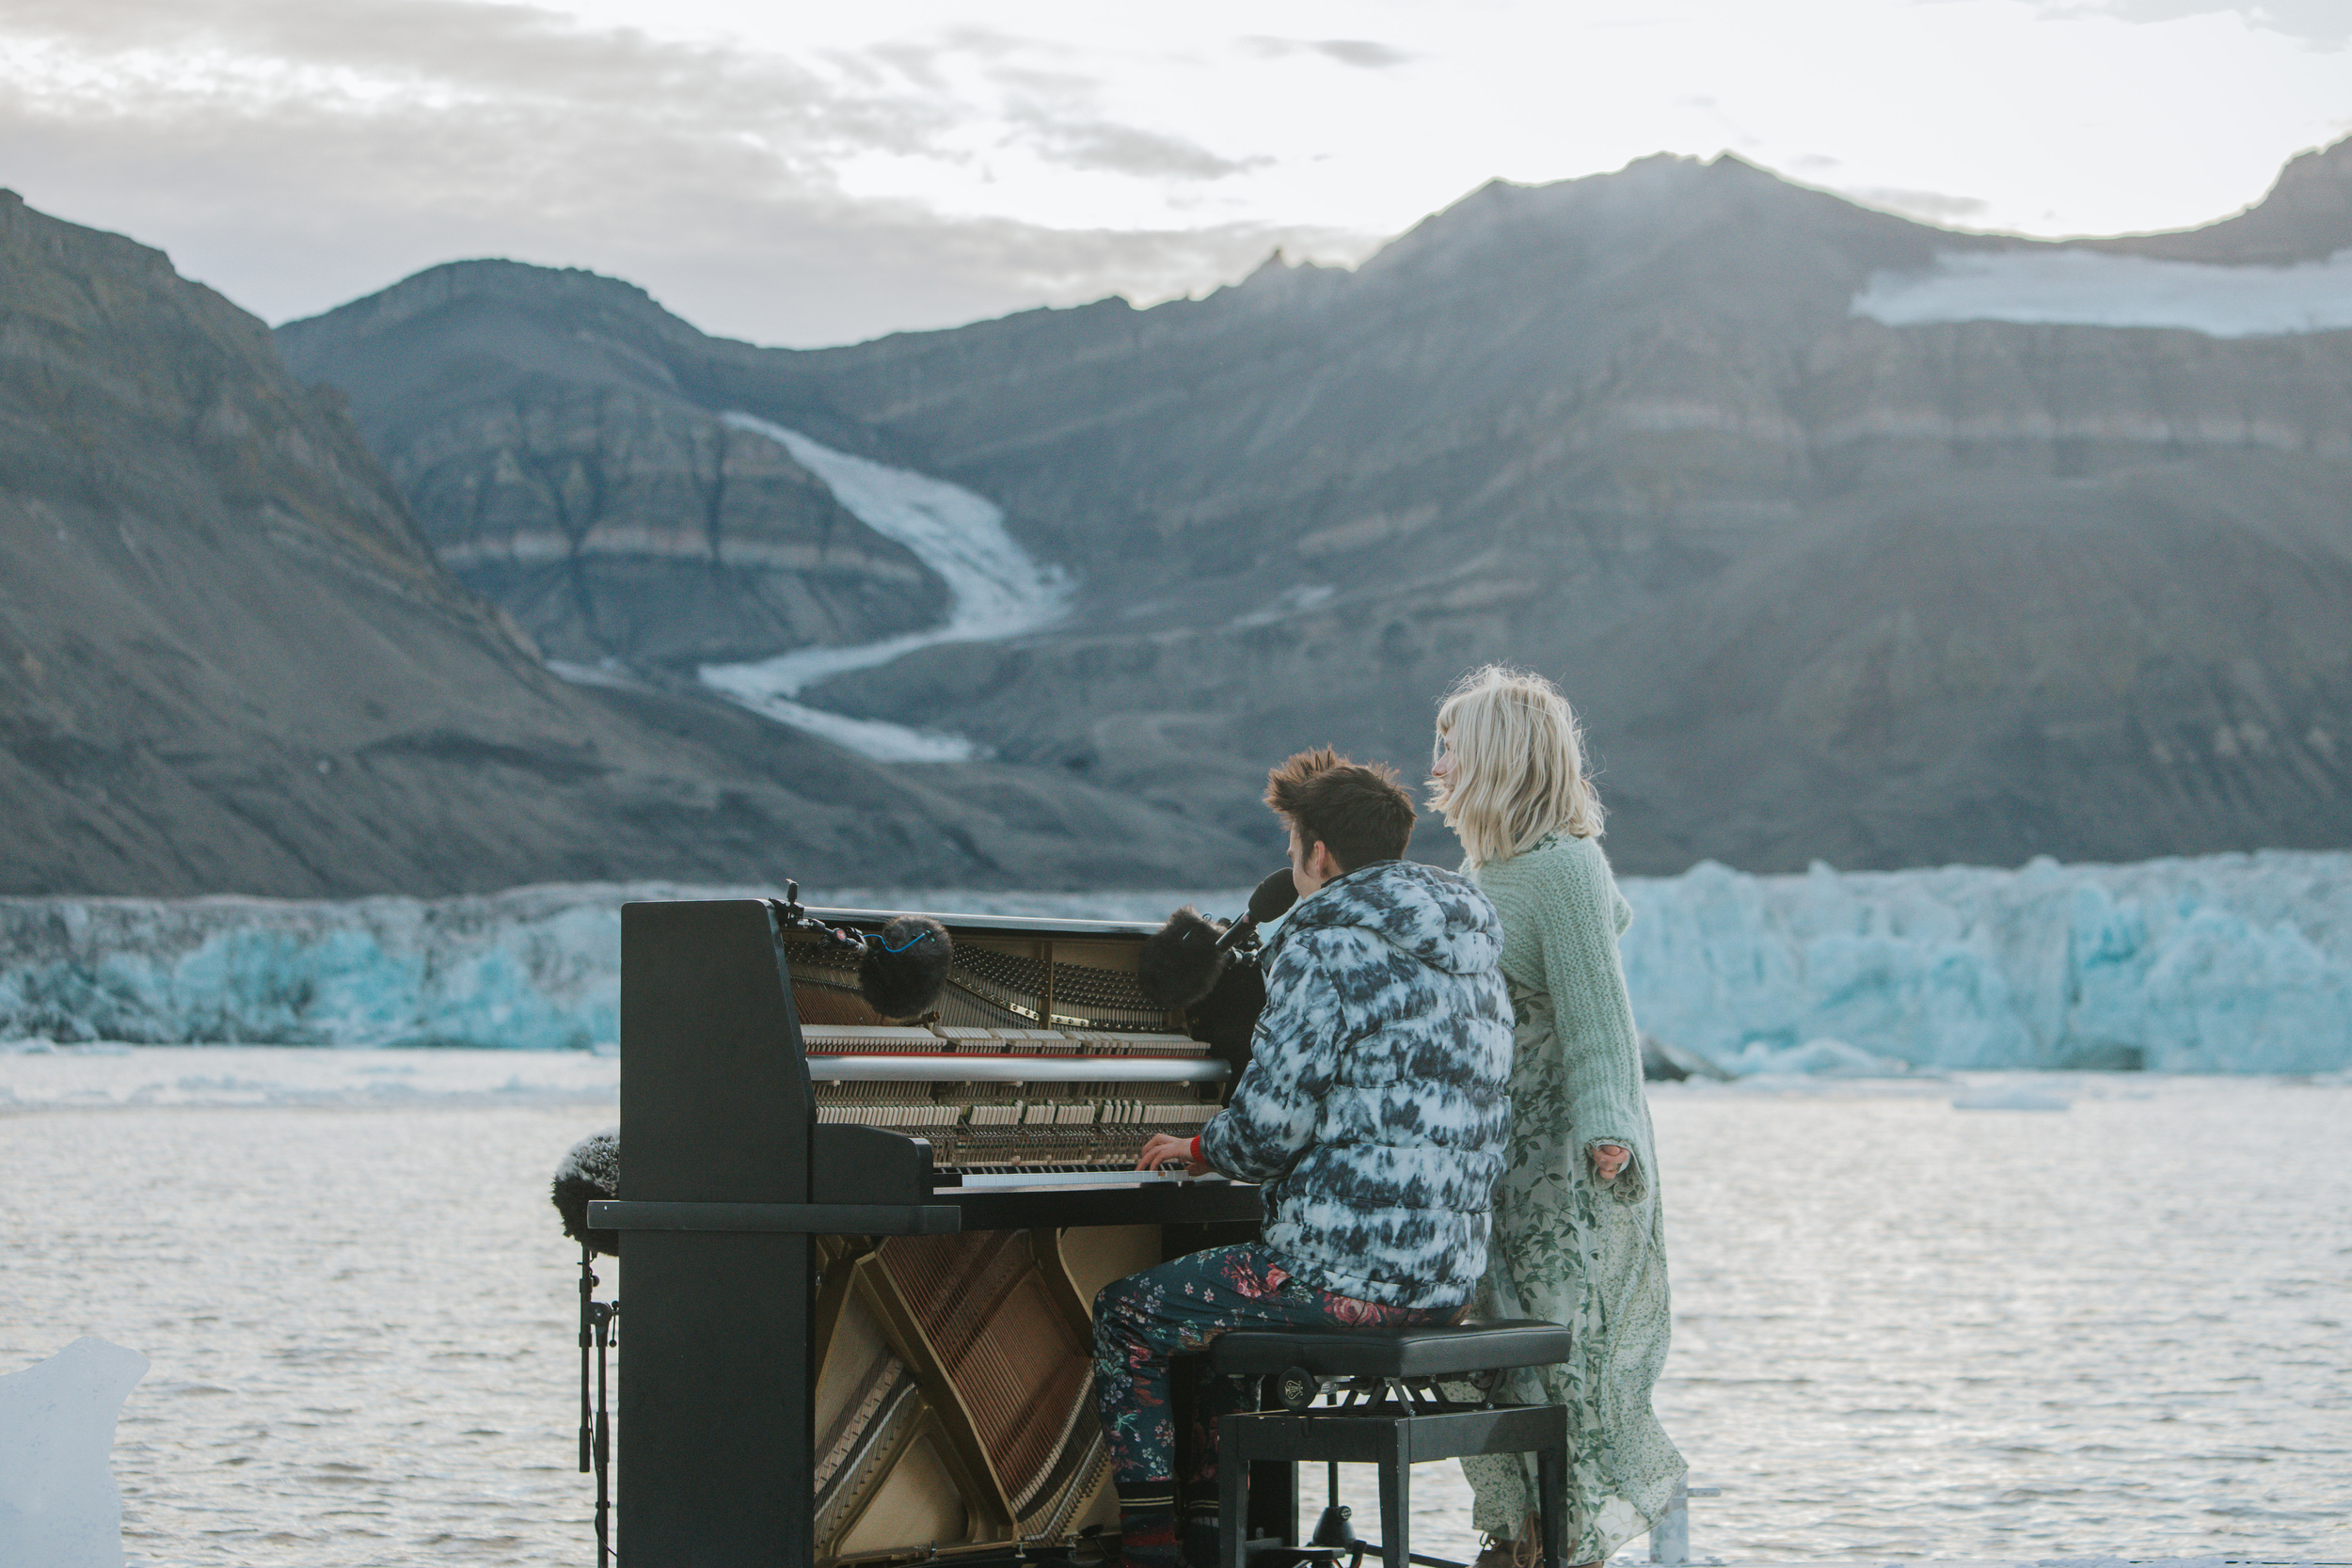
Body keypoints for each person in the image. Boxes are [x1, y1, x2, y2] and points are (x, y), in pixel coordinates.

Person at [1095, 747, 1515, 1568]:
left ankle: (1150, 1549)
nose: (1293, 865)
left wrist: (1195, 1145)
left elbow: (1264, 1136)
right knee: (1225, 1318)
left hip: (1342, 1279)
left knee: (1129, 1314)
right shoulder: (1470, 955)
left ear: (1318, 854)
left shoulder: (1325, 947)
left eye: (1294, 848)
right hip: (1445, 1280)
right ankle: (1222, 1535)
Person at [1427, 665, 1687, 1568]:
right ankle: (1520, 1534)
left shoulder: (1567, 868)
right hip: (1491, 1169)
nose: (1439, 765)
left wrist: (1608, 1129)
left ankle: (1562, 1542)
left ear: (1502, 758)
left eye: (1453, 747)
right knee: (1493, 1356)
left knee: (1559, 1367)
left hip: (1559, 1168)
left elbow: (1600, 1018)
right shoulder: (1484, 866)